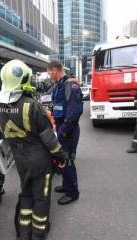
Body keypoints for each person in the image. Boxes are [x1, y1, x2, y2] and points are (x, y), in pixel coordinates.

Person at [0, 59, 67, 240]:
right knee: (41, 197)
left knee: (26, 194)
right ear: (24, 79)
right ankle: (39, 234)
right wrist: (62, 156)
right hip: (40, 161)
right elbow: (49, 138)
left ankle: (24, 234)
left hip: (21, 161)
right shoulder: (30, 105)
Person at [48, 60, 83, 205]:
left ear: (55, 70)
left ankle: (72, 192)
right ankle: (66, 185)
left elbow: (75, 111)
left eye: (49, 72)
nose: (49, 75)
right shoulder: (60, 85)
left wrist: (64, 131)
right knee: (62, 159)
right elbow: (59, 107)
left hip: (69, 129)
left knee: (67, 160)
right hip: (62, 126)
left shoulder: (70, 85)